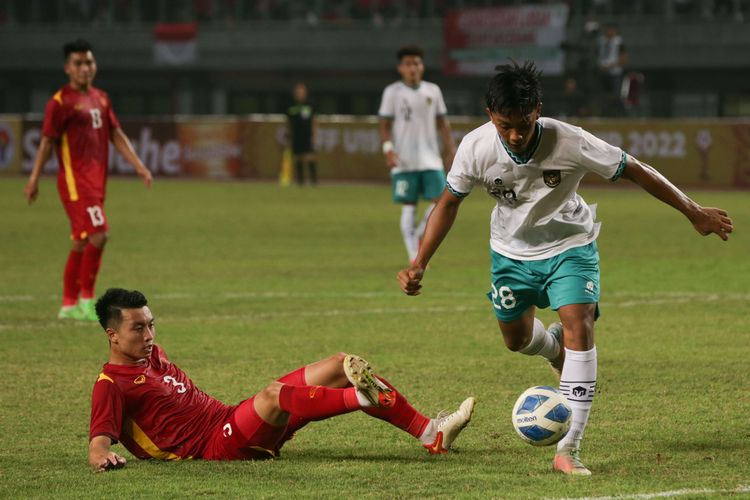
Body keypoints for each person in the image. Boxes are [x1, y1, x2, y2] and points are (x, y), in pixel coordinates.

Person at [396, 60, 733, 476]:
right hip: (510, 253)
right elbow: (448, 203)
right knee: (516, 340)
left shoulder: (570, 141)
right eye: (505, 126)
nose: (515, 135)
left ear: (537, 109)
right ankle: (554, 349)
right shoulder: (475, 147)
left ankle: (568, 450)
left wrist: (694, 211)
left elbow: (637, 170)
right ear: (491, 117)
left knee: (581, 324)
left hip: (570, 245)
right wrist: (420, 263)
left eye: (523, 124)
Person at [88, 288, 475, 472]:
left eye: (152, 325)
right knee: (274, 395)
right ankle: (363, 399)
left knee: (340, 364)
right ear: (112, 335)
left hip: (230, 419)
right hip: (214, 447)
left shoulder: (152, 354)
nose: (150, 335)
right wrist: (104, 457)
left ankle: (429, 432)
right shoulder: (110, 384)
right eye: (138, 329)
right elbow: (98, 447)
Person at [23, 39, 152, 322]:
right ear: (67, 68)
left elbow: (116, 135)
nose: (85, 68)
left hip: (96, 183)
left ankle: (68, 304)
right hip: (75, 182)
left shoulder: (101, 98)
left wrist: (139, 166)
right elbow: (46, 142)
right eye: (79, 63)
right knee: (100, 234)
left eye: (89, 62)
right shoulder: (60, 102)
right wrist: (34, 178)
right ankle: (86, 299)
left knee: (81, 242)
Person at [379, 45, 456, 264]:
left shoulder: (433, 90)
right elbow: (384, 124)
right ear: (400, 68)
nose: (413, 68)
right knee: (409, 205)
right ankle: (414, 256)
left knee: (440, 200)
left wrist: (451, 149)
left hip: (430, 159)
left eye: (417, 63)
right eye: (408, 64)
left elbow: (443, 123)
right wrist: (388, 149)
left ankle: (421, 233)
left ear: (422, 66)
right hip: (404, 161)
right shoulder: (392, 92)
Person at [286, 82, 318, 186]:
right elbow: (288, 122)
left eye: (301, 92)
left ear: (305, 93)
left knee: (309, 156)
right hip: (296, 135)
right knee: (297, 157)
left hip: (307, 134)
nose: (299, 94)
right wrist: (288, 135)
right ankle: (300, 181)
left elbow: (314, 120)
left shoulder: (310, 105)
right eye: (297, 92)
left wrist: (314, 134)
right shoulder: (291, 106)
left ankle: (314, 180)